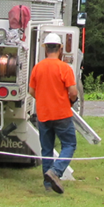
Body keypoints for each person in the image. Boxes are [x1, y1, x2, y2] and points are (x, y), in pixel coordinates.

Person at [28, 32, 78, 194]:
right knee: (69, 144)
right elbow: (73, 92)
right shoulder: (64, 68)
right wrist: (70, 100)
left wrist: (43, 99)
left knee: (47, 149)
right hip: (62, 113)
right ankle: (55, 172)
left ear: (45, 49)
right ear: (60, 48)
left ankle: (48, 185)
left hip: (43, 114)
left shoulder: (38, 67)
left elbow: (31, 91)